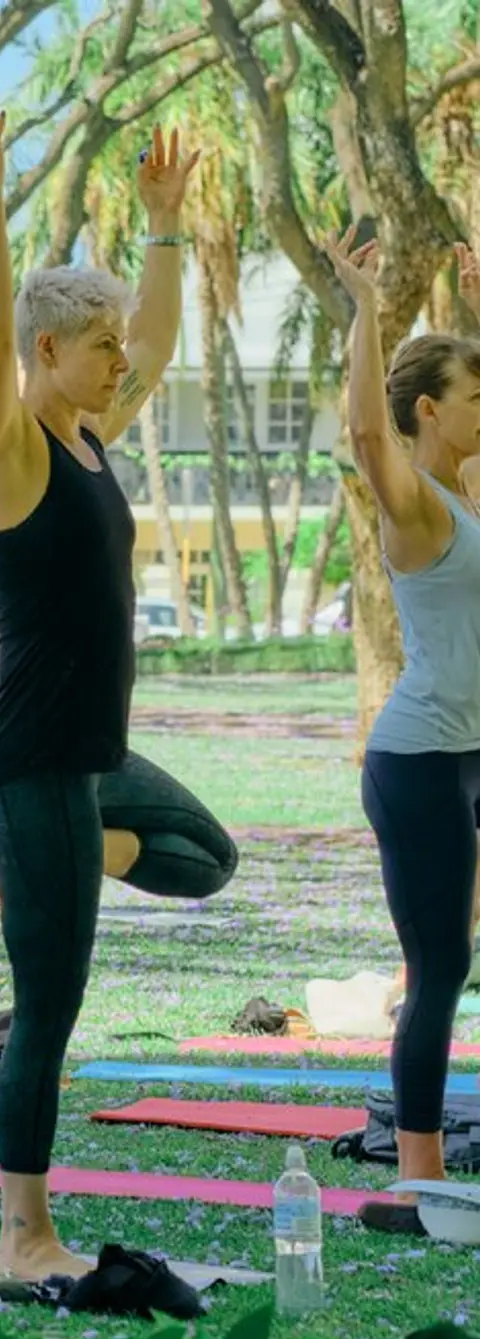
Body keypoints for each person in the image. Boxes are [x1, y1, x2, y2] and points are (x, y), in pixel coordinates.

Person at [0, 95, 197, 1278]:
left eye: (114, 343)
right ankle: (20, 1231)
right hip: (36, 755)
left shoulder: (95, 436)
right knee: (46, 1007)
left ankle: (60, 858)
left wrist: (160, 227)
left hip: (87, 762)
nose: (119, 358)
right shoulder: (8, 449)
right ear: (44, 352)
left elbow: (154, 341)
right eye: (95, 343)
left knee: (202, 856)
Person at [0, 374, 235, 919]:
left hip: (56, 706)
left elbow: (139, 365)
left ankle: (50, 850)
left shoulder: (53, 474)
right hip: (3, 671)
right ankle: (5, 888)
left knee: (209, 859)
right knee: (1, 792)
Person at [328, 229, 480, 1231]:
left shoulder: (463, 491)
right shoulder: (414, 503)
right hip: (419, 757)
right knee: (439, 968)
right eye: (471, 394)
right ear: (428, 408)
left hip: (466, 751)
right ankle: (416, 1171)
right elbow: (364, 435)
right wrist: (362, 305)